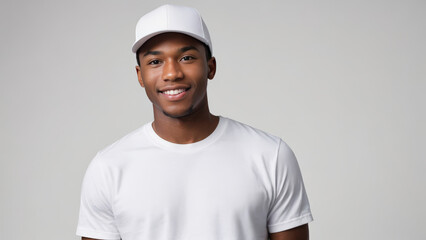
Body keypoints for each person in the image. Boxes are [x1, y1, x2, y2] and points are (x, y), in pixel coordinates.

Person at [76, 4, 313, 240]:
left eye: (186, 57)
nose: (172, 73)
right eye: (155, 62)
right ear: (140, 75)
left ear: (210, 67)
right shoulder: (108, 168)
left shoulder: (270, 156)